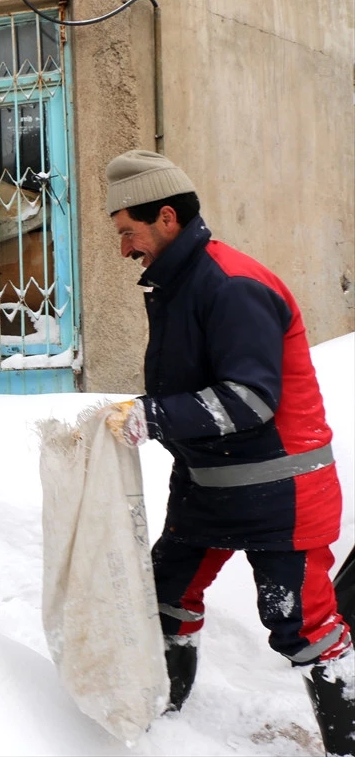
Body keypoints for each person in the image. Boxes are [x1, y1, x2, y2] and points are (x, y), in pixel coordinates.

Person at [99, 150, 353, 754]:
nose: (124, 248)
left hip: (280, 494)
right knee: (164, 596)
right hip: (208, 489)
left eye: (128, 232)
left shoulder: (231, 285)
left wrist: (154, 416)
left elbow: (248, 400)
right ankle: (164, 729)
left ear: (165, 217)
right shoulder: (177, 285)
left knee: (303, 629)